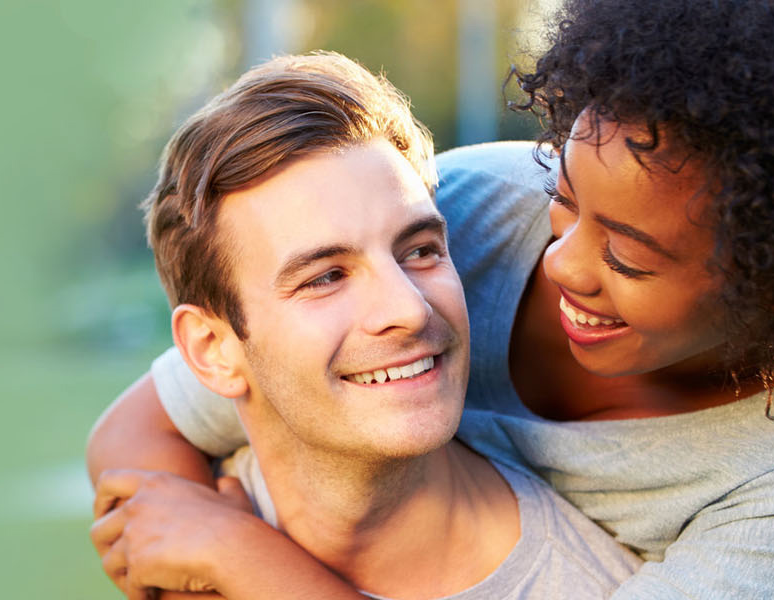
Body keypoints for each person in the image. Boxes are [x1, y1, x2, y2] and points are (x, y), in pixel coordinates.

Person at [87, 0, 774, 598]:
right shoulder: (471, 208)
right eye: (563, 196)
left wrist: (246, 559)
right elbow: (147, 429)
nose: (562, 263)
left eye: (625, 255)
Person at [88, 52, 640, 599]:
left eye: (421, 250)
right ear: (212, 351)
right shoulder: (170, 536)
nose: (409, 309)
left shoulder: (599, 586)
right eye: (326, 276)